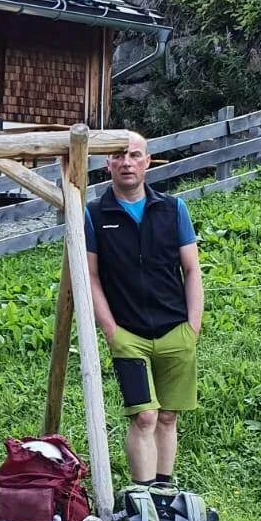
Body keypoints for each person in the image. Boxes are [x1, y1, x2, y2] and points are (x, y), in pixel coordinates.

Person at [85, 132, 204, 490]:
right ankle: (143, 499)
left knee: (167, 416)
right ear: (107, 163)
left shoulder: (173, 209)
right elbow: (89, 276)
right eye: (118, 156)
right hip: (128, 335)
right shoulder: (94, 215)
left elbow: (193, 270)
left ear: (147, 162)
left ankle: (164, 494)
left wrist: (193, 326)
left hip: (175, 330)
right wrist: (110, 329)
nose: (126, 162)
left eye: (134, 155)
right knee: (145, 416)